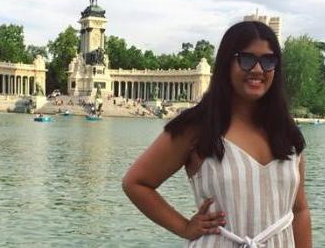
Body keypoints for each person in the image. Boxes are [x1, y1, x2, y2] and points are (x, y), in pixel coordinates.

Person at [122, 21, 312, 247]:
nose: (258, 69)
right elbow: (136, 183)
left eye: (268, 60)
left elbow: (299, 210)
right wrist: (183, 227)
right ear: (226, 64)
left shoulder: (285, 131)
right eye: (247, 58)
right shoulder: (196, 128)